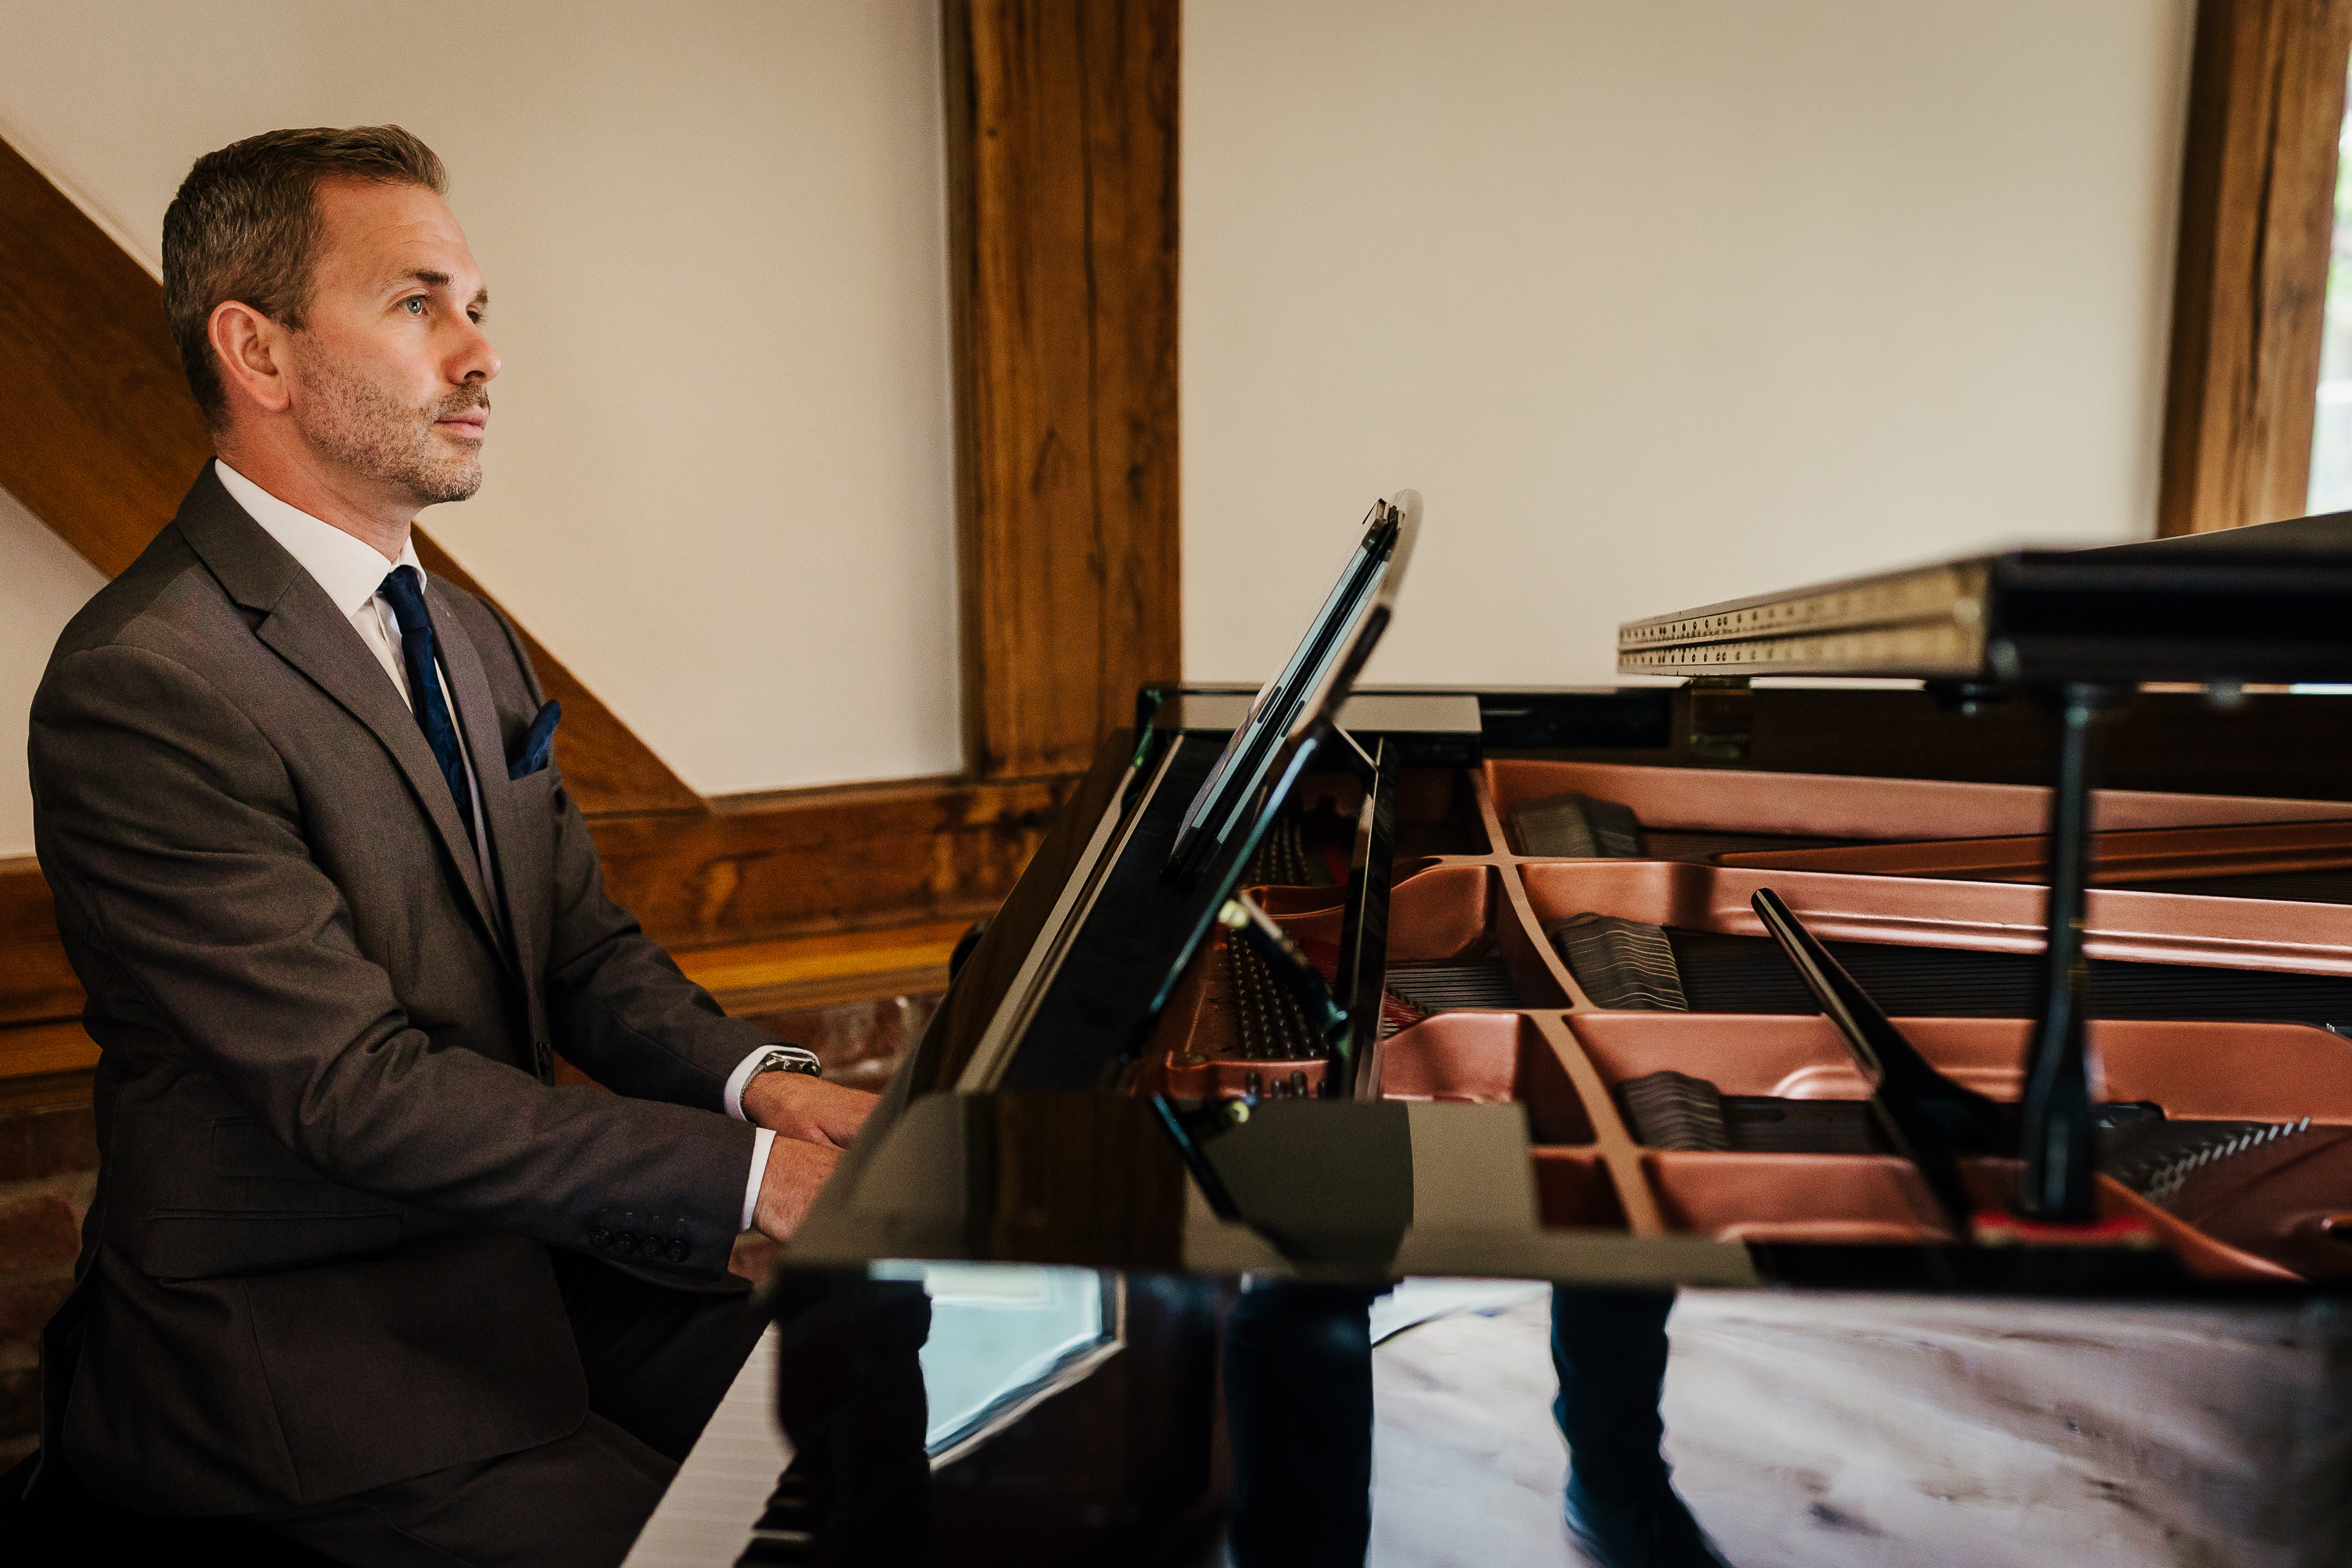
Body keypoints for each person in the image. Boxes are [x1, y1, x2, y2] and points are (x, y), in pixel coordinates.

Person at [22, 125, 875, 1567]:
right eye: (417, 304)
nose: (479, 355)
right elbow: (354, 1089)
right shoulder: (143, 681)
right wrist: (747, 1181)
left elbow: (580, 950)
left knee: (926, 1438)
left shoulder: (463, 629)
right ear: (258, 350)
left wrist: (769, 1087)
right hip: (300, 1355)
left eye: (476, 308)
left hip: (528, 1273)